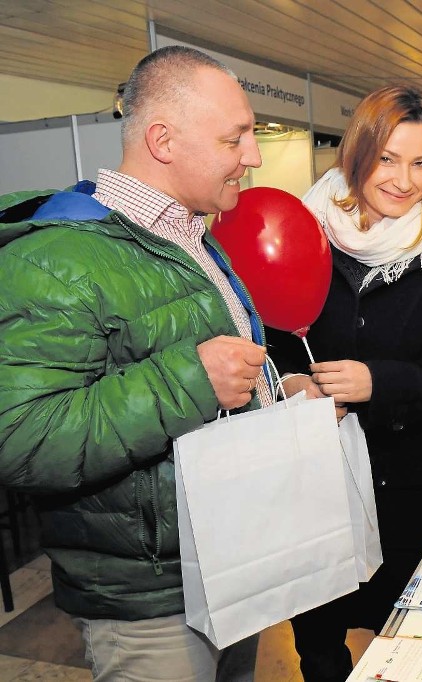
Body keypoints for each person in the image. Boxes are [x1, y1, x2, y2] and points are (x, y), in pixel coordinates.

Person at [0, 46, 270, 681]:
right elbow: (21, 440)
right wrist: (191, 380)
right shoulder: (55, 259)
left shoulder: (191, 238)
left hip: (233, 564)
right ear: (162, 140)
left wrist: (277, 393)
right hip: (151, 605)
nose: (253, 156)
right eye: (236, 139)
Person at [267, 85, 422, 682]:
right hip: (312, 485)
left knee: (409, 643)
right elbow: (270, 351)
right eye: (388, 158)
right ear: (357, 154)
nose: (405, 179)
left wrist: (379, 382)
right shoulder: (299, 237)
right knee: (317, 643)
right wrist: (288, 383)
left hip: (404, 486)